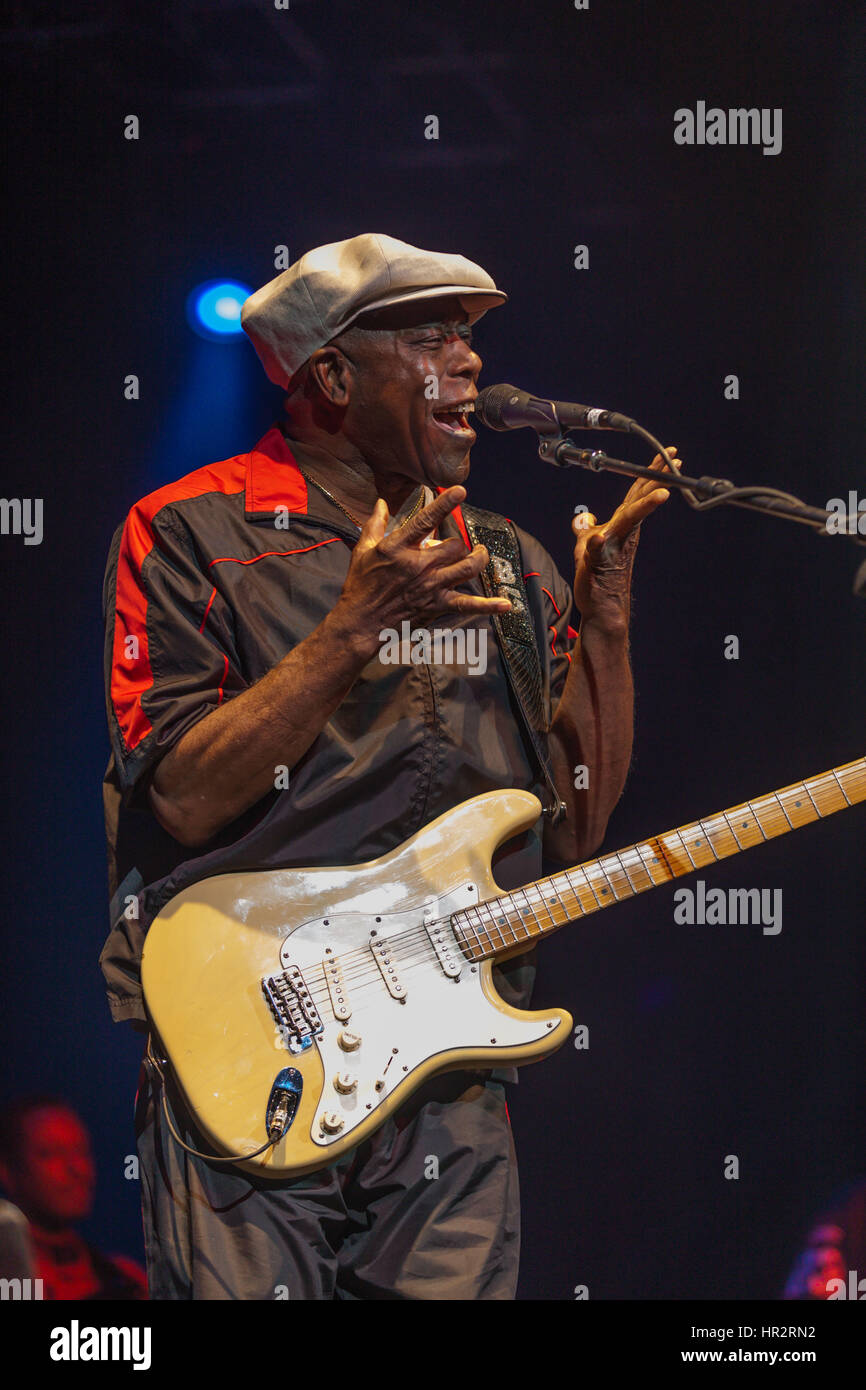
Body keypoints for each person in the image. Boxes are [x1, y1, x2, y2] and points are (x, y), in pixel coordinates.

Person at [100, 232, 678, 1299]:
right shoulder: (192, 530)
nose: (466, 367)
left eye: (469, 344)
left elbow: (570, 835)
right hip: (250, 1052)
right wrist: (348, 632)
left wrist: (601, 633)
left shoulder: (505, 560)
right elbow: (178, 795)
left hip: (448, 1077)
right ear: (329, 376)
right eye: (428, 341)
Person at [0, 1096, 147, 1300]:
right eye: (52, 1153)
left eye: (81, 1152)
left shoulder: (126, 1279)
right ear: (7, 1171)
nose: (76, 1168)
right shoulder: (10, 1282)